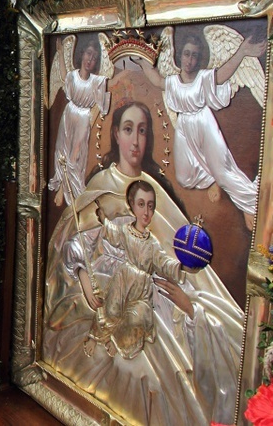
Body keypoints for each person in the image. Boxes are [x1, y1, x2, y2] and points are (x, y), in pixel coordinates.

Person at [44, 99, 243, 425]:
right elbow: (77, 243)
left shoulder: (157, 192)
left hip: (156, 298)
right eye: (127, 129)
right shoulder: (100, 187)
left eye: (142, 131)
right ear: (116, 136)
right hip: (112, 290)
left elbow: (169, 261)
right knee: (146, 372)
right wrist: (84, 277)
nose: (135, 140)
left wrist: (185, 280)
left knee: (172, 359)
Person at [136, 30, 265, 229]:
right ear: (181, 56)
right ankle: (212, 179)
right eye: (187, 53)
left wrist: (242, 52)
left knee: (223, 172)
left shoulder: (203, 78)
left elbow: (222, 75)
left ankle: (252, 206)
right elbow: (156, 79)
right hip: (185, 129)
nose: (189, 59)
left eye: (194, 55)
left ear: (199, 59)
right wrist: (142, 60)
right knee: (184, 177)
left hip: (204, 125)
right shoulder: (173, 81)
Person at [82, 180, 195, 360]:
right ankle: (95, 338)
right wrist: (103, 219)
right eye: (141, 205)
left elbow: (164, 263)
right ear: (132, 206)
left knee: (137, 318)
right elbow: (114, 234)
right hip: (123, 280)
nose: (146, 212)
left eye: (150, 206)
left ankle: (117, 342)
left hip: (141, 290)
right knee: (111, 311)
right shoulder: (126, 231)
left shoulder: (153, 244)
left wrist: (181, 267)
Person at [48, 37, 120, 207]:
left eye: (95, 57)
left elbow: (110, 85)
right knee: (62, 151)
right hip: (69, 114)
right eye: (89, 54)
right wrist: (59, 52)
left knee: (76, 154)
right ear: (82, 55)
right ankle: (62, 184)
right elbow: (65, 77)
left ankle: (64, 190)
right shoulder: (73, 76)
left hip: (82, 118)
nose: (90, 59)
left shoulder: (96, 81)